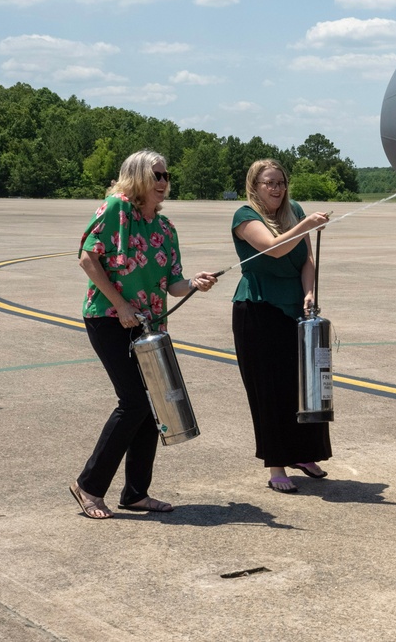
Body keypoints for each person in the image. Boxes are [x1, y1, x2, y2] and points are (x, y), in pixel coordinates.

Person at [71, 149, 219, 519]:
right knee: (133, 401)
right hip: (109, 318)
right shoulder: (116, 209)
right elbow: (88, 257)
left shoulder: (166, 229)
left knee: (151, 403)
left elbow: (173, 285)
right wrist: (120, 304)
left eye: (166, 176)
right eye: (157, 175)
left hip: (148, 325)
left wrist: (195, 283)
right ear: (136, 176)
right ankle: (88, 486)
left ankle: (136, 492)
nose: (164, 182)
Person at [231, 159, 333, 493]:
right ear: (254, 186)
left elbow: (306, 259)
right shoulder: (245, 217)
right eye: (269, 183)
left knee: (303, 386)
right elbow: (274, 248)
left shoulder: (294, 212)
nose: (277, 189)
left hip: (295, 309)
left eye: (281, 183)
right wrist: (305, 225)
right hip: (259, 309)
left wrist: (309, 292)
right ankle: (276, 464)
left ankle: (304, 454)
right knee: (269, 391)